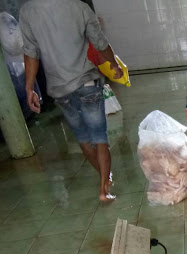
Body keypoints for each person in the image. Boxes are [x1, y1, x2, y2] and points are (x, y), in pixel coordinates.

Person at [20, 0, 122, 202]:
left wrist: (29, 88)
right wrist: (114, 64)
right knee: (99, 137)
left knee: (83, 139)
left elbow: (31, 52)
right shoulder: (79, 7)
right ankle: (104, 189)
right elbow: (101, 43)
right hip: (87, 82)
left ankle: (105, 178)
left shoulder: (27, 11)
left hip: (59, 90)